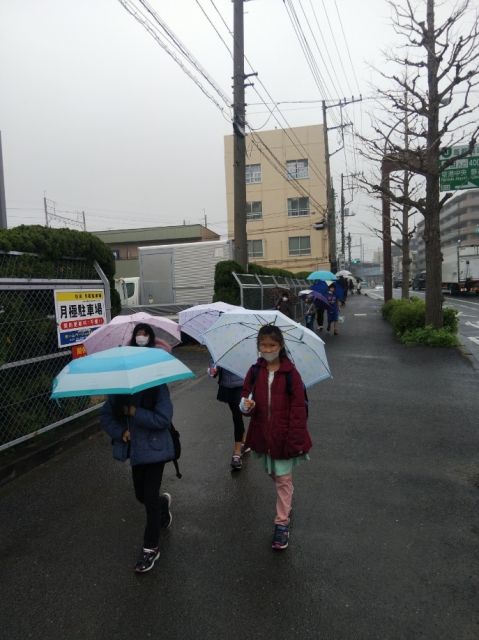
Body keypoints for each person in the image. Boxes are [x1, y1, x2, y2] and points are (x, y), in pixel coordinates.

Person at [101, 323, 174, 574]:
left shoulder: (158, 386)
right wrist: (121, 432)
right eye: (138, 335)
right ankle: (164, 504)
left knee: (149, 498)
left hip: (156, 449)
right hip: (135, 452)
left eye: (145, 335)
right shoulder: (119, 390)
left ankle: (150, 548)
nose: (141, 338)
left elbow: (163, 419)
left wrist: (135, 412)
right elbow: (106, 417)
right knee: (141, 496)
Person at [240, 325, 312, 551]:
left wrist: (294, 439)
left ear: (280, 346)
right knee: (273, 473)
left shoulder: (291, 374)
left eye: (272, 345)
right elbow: (245, 397)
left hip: (285, 436)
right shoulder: (255, 371)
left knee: (282, 479)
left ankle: (282, 524)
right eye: (263, 345)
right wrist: (245, 406)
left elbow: (299, 410)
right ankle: (287, 494)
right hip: (263, 434)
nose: (268, 349)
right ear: (258, 346)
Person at [208, 364, 247, 470]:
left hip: (241, 384)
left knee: (237, 416)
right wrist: (213, 370)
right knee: (236, 414)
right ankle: (244, 441)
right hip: (226, 385)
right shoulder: (220, 350)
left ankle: (237, 452)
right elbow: (214, 361)